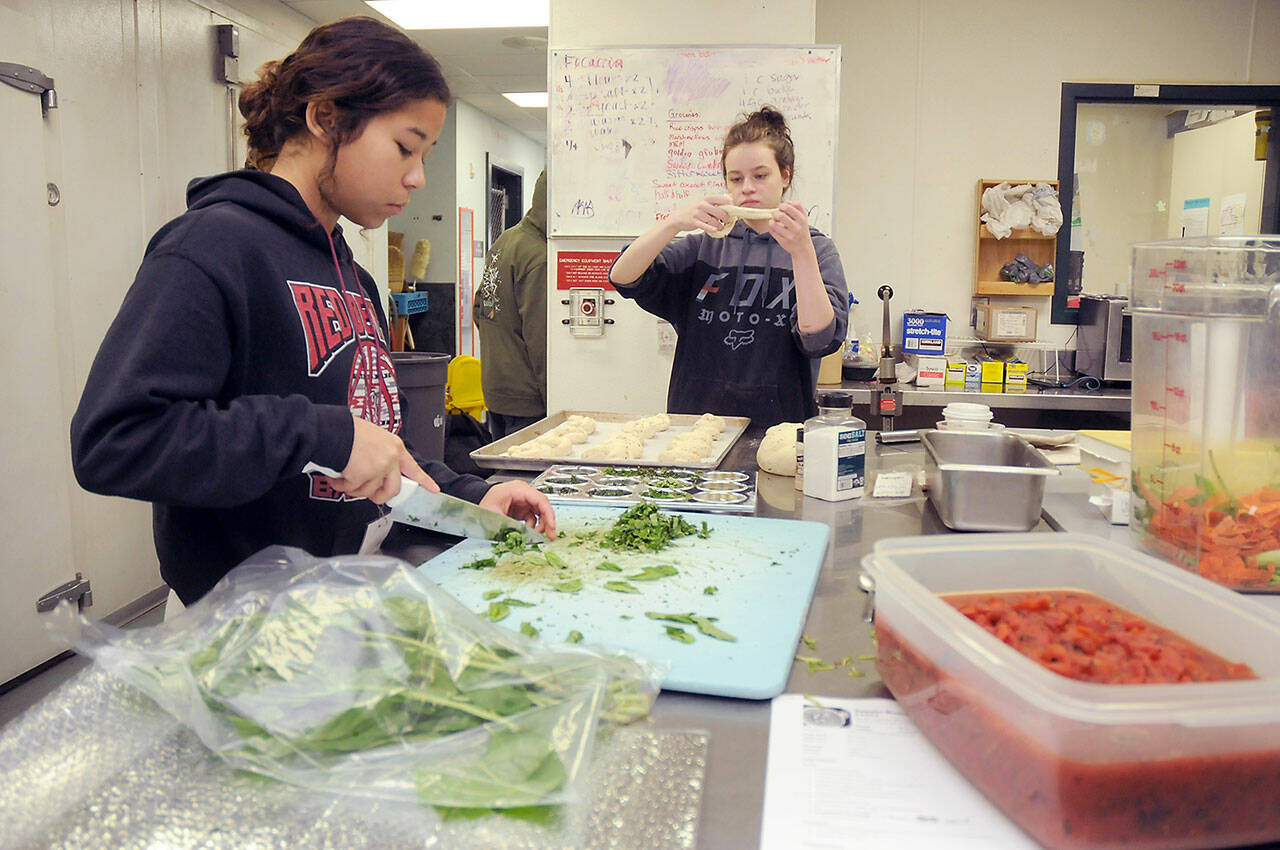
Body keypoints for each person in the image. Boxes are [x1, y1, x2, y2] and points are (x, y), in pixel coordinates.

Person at [69, 17, 555, 605]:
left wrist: (470, 496)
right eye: (404, 147)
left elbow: (373, 441)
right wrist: (319, 433)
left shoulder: (356, 277)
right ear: (325, 118)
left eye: (425, 154)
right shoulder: (211, 246)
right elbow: (115, 441)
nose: (417, 177)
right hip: (240, 622)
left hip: (345, 596)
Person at [608, 106, 849, 427]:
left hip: (780, 425)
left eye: (760, 176)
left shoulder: (816, 248)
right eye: (736, 178)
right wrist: (673, 223)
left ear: (785, 175)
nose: (747, 187)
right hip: (695, 424)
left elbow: (819, 339)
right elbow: (622, 276)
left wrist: (801, 252)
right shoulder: (704, 245)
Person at [474, 169, 548, 440]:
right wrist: (558, 399)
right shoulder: (539, 256)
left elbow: (480, 307)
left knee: (504, 473)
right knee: (525, 480)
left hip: (496, 388)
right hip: (528, 398)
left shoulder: (506, 239)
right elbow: (540, 338)